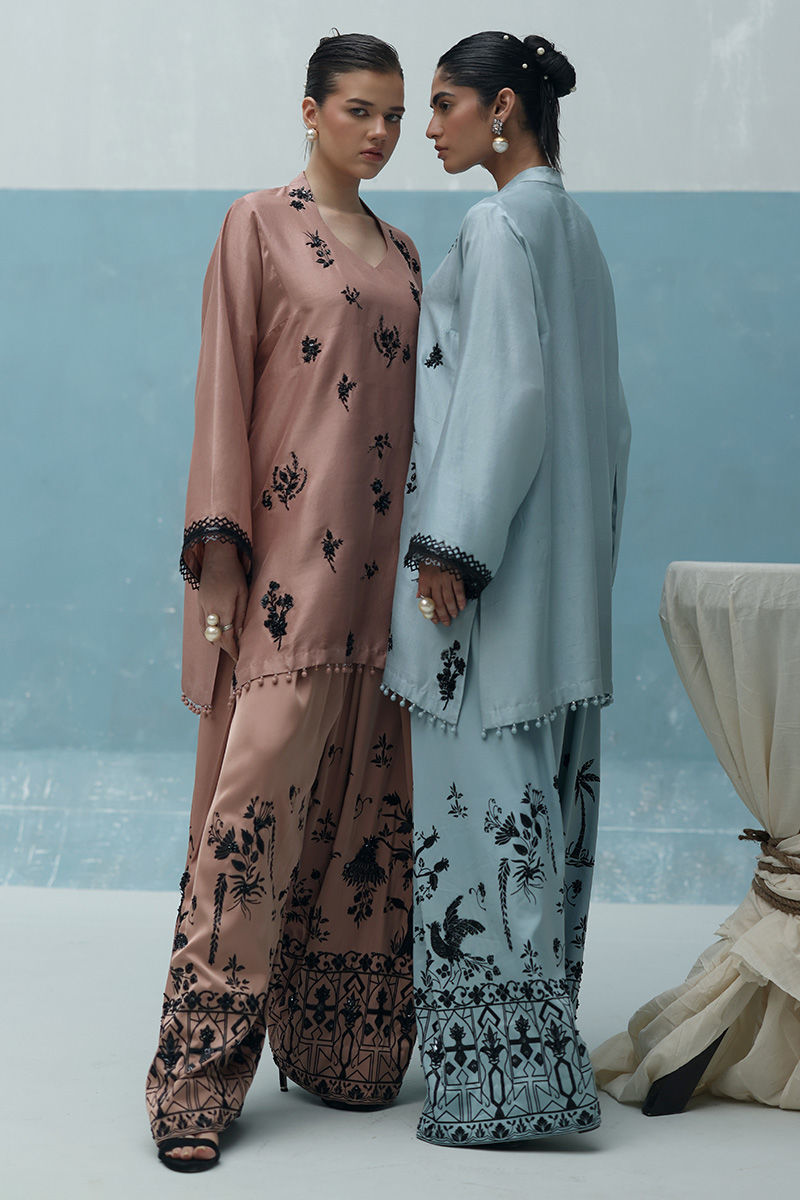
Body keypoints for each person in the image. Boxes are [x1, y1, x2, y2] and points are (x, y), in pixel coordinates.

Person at [146, 32, 421, 1171]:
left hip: (383, 588)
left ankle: (344, 1047)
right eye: (358, 109)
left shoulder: (406, 250)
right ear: (310, 112)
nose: (381, 132)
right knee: (250, 815)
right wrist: (221, 547)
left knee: (363, 816)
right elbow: (224, 381)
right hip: (285, 580)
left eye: (394, 113)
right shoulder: (256, 224)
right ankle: (197, 1082)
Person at [382, 31, 631, 1147]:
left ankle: (503, 1094)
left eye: (444, 104)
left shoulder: (494, 227)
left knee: (485, 825)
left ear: (504, 111)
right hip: (561, 596)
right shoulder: (575, 233)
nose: (426, 127)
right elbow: (609, 426)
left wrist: (452, 547)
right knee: (542, 821)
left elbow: (503, 396)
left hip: (487, 593)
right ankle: (537, 1070)